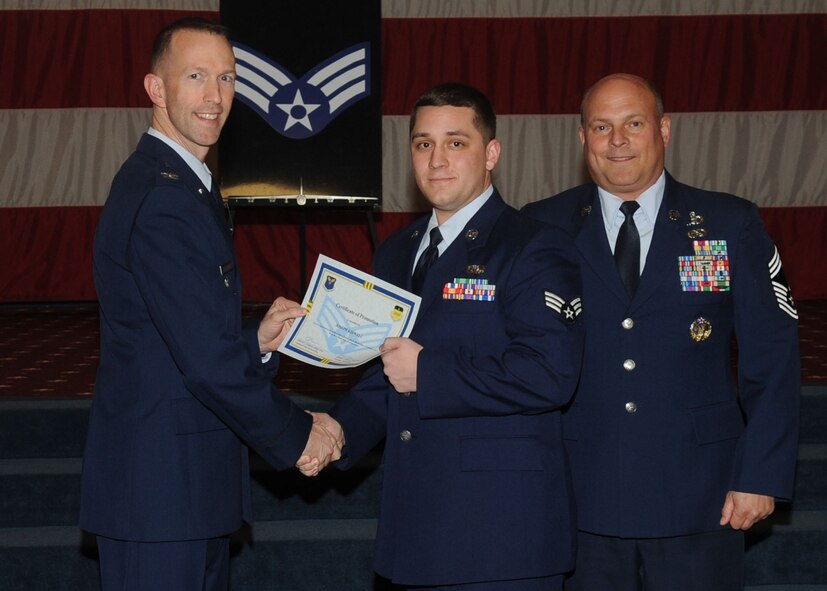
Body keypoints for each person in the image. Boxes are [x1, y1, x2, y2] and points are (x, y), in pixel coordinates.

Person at [79, 18, 340, 590]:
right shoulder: (165, 197)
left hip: (179, 492)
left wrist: (256, 340)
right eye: (195, 76)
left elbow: (172, 341)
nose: (214, 96)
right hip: (161, 498)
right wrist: (297, 434)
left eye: (226, 78)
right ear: (155, 89)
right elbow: (203, 364)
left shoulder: (181, 183)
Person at [522, 73, 800, 591]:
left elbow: (773, 357)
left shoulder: (727, 223)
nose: (618, 140)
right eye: (601, 127)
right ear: (583, 138)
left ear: (664, 130)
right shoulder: (542, 227)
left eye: (633, 123)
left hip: (702, 494)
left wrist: (760, 474)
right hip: (580, 490)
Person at [307, 83, 584, 590]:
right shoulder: (396, 252)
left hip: (502, 537)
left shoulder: (534, 247)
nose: (437, 159)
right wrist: (335, 432)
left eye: (456, 142)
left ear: (491, 153)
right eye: (423, 143)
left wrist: (429, 372)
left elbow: (551, 374)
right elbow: (386, 370)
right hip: (417, 528)